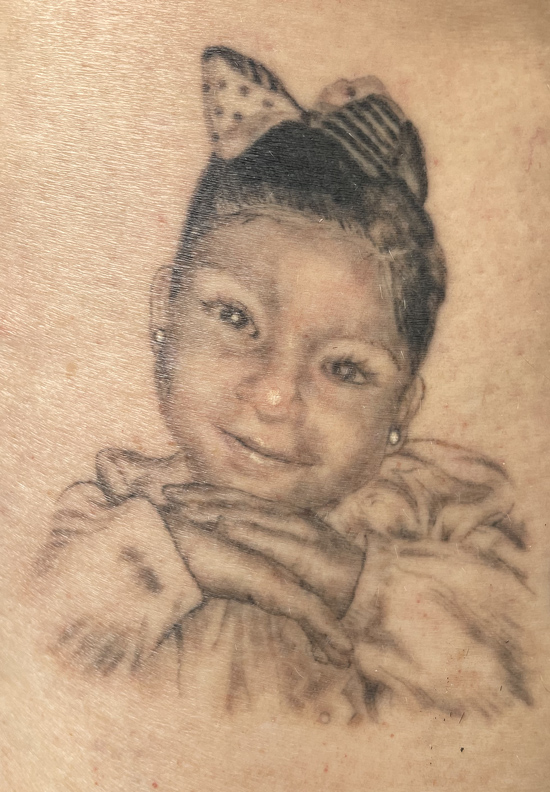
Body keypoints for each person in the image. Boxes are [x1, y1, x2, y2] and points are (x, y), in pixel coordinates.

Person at [36, 46, 532, 725]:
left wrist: (350, 580)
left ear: (403, 406)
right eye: (235, 317)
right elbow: (37, 655)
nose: (274, 395)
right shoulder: (113, 517)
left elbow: (516, 672)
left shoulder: (436, 522)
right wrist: (178, 558)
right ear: (163, 309)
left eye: (344, 368)